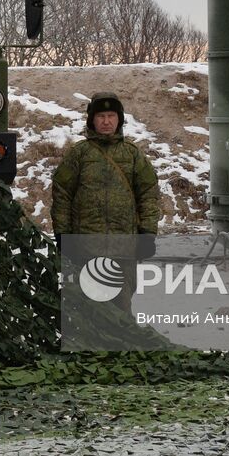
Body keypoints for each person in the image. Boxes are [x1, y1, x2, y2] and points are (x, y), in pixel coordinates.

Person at [50, 93, 159, 311]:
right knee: (88, 308)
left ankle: (120, 344)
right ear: (92, 120)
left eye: (111, 116)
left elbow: (148, 195)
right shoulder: (78, 155)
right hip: (86, 247)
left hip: (124, 249)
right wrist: (63, 234)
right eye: (101, 116)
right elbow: (62, 195)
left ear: (119, 119)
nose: (106, 121)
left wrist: (148, 234)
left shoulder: (133, 155)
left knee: (121, 309)